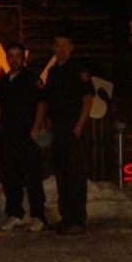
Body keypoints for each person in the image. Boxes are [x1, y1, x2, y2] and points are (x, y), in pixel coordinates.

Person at [36, 31, 95, 236]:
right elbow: (50, 101)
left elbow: (88, 100)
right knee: (62, 175)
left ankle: (77, 220)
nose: (61, 49)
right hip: (58, 130)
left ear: (71, 48)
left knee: (75, 175)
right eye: (57, 45)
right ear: (53, 49)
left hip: (73, 129)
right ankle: (66, 218)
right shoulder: (53, 72)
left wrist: (78, 127)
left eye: (65, 45)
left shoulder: (78, 70)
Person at [0, 42, 48, 232]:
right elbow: (0, 107)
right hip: (8, 136)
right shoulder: (3, 81)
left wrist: (36, 128)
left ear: (24, 58)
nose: (15, 59)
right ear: (7, 59)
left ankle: (38, 215)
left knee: (32, 176)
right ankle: (15, 213)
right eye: (11, 56)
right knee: (10, 176)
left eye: (18, 56)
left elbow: (42, 105)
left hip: (27, 135)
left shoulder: (32, 79)